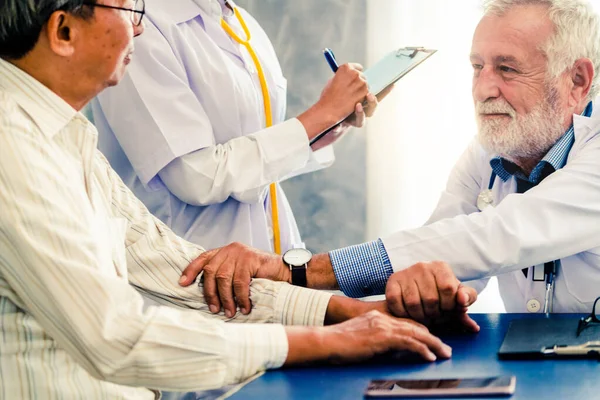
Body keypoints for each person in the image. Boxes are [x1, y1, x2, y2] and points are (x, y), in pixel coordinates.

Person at [0, 0, 475, 397]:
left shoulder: (64, 135)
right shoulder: (14, 148)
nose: (137, 26)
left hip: (233, 299)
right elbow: (116, 335)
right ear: (63, 30)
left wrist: (335, 310)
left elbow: (167, 263)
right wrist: (323, 339)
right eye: (127, 9)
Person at [179, 0, 600, 319]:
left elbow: (495, 236)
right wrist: (433, 288)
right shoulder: (488, 152)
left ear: (578, 80)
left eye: (507, 69)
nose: (483, 89)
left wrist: (294, 272)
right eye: (477, 67)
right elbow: (445, 253)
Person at [89, 0, 382, 265]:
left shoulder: (240, 22)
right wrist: (320, 115)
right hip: (189, 275)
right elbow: (197, 178)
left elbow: (255, 158)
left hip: (264, 266)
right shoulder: (139, 25)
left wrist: (326, 128)